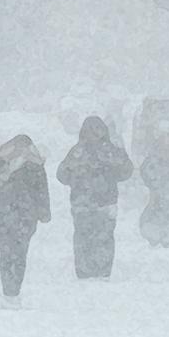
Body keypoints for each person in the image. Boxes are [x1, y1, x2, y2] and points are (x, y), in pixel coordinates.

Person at [0, 134, 50, 306]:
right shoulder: (34, 165)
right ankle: (13, 290)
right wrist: (43, 212)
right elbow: (41, 191)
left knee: (7, 253)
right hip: (25, 217)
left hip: (2, 216)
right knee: (20, 254)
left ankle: (9, 290)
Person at [56, 116, 134, 279]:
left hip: (93, 204)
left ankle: (95, 272)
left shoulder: (84, 151)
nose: (93, 135)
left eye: (96, 130)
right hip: (93, 204)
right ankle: (93, 272)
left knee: (94, 238)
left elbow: (126, 171)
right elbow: (62, 174)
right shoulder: (87, 151)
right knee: (93, 238)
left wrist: (78, 179)